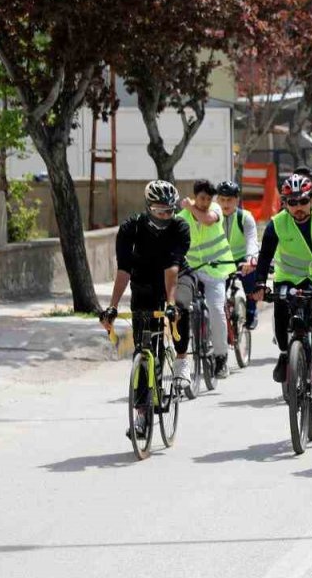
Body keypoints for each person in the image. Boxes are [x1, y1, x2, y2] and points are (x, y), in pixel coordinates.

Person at [253, 175, 312, 427]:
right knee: (281, 314)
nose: (297, 207)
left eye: (303, 201)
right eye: (291, 202)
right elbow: (264, 258)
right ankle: (286, 354)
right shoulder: (277, 224)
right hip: (289, 279)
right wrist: (261, 283)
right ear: (284, 203)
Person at [100, 181, 191, 439]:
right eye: (160, 211)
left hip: (177, 278)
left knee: (182, 308)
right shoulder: (131, 227)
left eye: (170, 211)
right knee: (141, 350)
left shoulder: (179, 227)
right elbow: (123, 270)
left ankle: (182, 361)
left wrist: (171, 305)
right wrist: (112, 307)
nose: (166, 216)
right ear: (148, 207)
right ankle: (140, 416)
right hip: (144, 284)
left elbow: (172, 268)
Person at [176, 180, 235, 377]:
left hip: (215, 271)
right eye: (202, 198)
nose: (205, 202)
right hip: (191, 272)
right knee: (183, 308)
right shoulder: (182, 217)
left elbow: (207, 219)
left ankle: (221, 357)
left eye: (209, 199)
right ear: (195, 195)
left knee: (217, 309)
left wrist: (191, 206)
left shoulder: (215, 209)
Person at [217, 180, 259, 330]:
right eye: (222, 200)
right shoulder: (212, 218)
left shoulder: (245, 217)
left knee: (250, 281)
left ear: (237, 200)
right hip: (221, 261)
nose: (225, 204)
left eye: (229, 200)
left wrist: (251, 260)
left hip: (242, 259)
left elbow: (252, 240)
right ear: (217, 200)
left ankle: (252, 311)